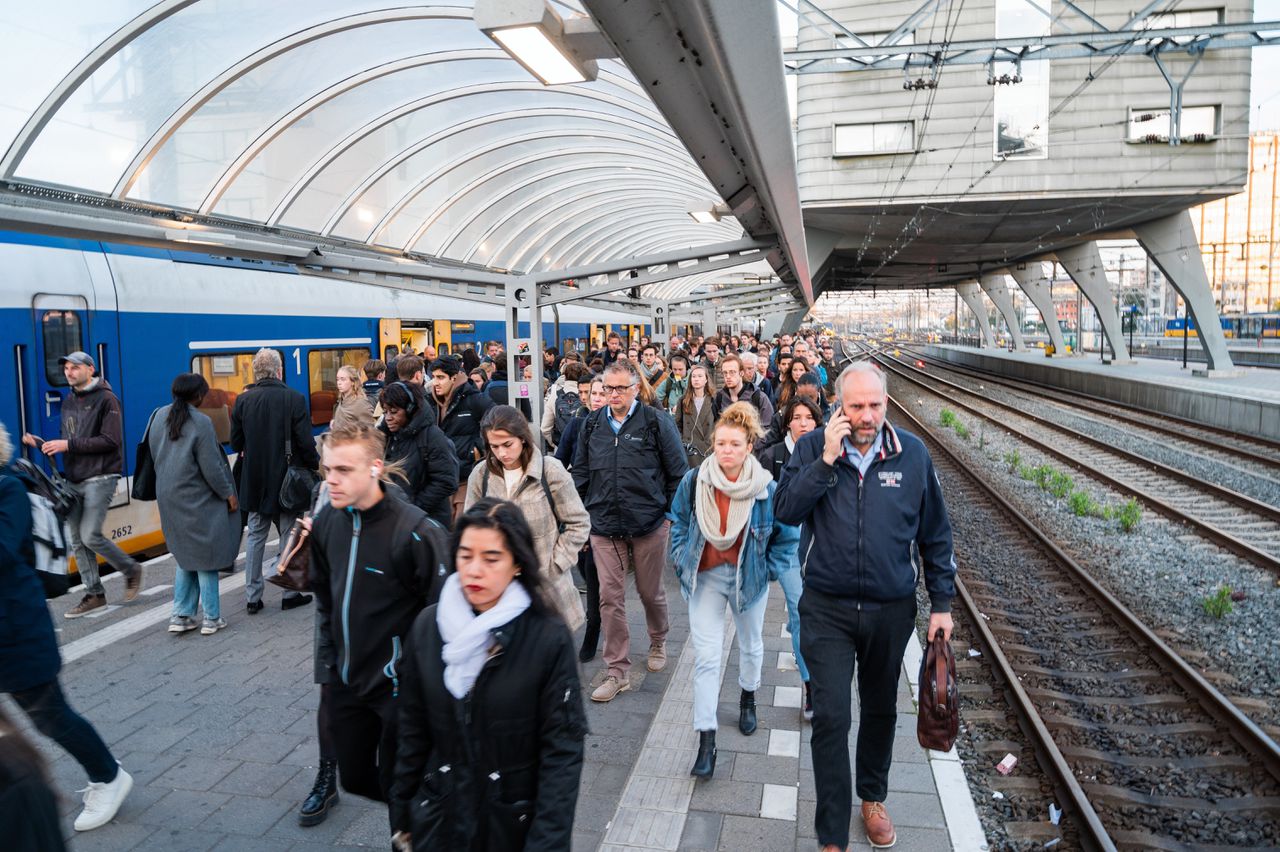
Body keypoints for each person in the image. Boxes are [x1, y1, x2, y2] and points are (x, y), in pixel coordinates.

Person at [774, 362, 957, 852]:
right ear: (838, 406)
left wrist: (941, 602)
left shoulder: (913, 456)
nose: (867, 415)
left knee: (880, 709)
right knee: (832, 717)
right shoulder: (815, 447)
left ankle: (873, 798)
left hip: (890, 607)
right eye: (856, 406)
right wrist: (826, 461)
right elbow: (785, 509)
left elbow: (935, 535)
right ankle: (832, 831)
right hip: (827, 607)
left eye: (875, 405)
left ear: (886, 404)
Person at [390, 499, 587, 850]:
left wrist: (547, 842)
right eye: (466, 556)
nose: (475, 570)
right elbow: (411, 730)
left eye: (491, 559)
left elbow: (562, 752)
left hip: (511, 825)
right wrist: (403, 813)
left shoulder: (546, 636)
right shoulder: (428, 628)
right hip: (441, 819)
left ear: (516, 564)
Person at [309, 425, 451, 833]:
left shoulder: (416, 532)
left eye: (342, 470)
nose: (331, 480)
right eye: (327, 470)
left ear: (374, 468)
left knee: (400, 789)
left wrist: (422, 688)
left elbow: (444, 618)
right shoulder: (326, 524)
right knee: (353, 777)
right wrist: (330, 671)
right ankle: (424, 803)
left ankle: (412, 827)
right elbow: (325, 602)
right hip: (348, 685)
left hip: (398, 692)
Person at [0, 422, 133, 832]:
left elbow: (4, 551)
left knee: (50, 716)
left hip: (15, 630)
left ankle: (109, 777)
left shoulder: (8, 489)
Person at [668, 403, 798, 778]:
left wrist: (768, 570)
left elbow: (786, 538)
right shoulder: (695, 481)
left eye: (734, 444)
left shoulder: (766, 489)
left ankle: (748, 695)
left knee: (751, 644)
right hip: (706, 577)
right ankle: (706, 741)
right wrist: (680, 557)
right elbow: (678, 520)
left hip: (748, 579)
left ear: (749, 447)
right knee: (706, 658)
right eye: (721, 443)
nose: (726, 450)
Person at [572, 361, 687, 702]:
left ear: (636, 389)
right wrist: (581, 515)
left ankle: (658, 638)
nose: (614, 394)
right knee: (610, 597)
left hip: (649, 524)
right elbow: (580, 473)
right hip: (604, 526)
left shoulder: (655, 422)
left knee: (651, 593)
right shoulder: (592, 425)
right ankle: (616, 669)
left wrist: (667, 515)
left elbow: (678, 473)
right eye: (608, 388)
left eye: (621, 388)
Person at [22, 350, 143, 616]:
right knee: (77, 539)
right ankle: (94, 593)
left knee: (90, 534)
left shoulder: (107, 399)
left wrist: (68, 444)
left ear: (91, 369)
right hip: (75, 478)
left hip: (102, 476)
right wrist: (44, 444)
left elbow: (111, 441)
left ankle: (130, 568)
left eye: (75, 367)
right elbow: (71, 441)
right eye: (66, 368)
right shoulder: (69, 401)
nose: (69, 372)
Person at [465, 405, 590, 630]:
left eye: (507, 444)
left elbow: (578, 522)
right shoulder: (481, 475)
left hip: (547, 592)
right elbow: (469, 530)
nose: (502, 453)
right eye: (494, 446)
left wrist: (555, 564)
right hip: (498, 595)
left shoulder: (549, 470)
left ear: (522, 438)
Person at [150, 373, 240, 636]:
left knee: (185, 553)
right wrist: (228, 494)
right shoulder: (201, 422)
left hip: (168, 495)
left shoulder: (158, 417)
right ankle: (212, 618)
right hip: (198, 497)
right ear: (198, 395)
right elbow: (211, 466)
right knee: (207, 556)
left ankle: (181, 615)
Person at [230, 347, 318, 614]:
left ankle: (252, 597)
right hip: (286, 480)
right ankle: (289, 592)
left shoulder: (243, 401)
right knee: (289, 534)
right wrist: (315, 466)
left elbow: (236, 443)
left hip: (254, 480)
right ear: (279, 371)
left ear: (256, 373)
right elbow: (304, 442)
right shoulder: (294, 398)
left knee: (256, 536)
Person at [756, 397, 824, 719]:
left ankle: (810, 687)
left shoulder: (825, 453)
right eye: (796, 417)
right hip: (773, 543)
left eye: (809, 417)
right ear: (787, 424)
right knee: (750, 616)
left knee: (801, 613)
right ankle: (748, 685)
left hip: (806, 547)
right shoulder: (772, 456)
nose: (803, 423)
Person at [555, 373, 606, 661]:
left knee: (599, 575)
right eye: (591, 393)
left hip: (608, 508)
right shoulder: (576, 425)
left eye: (600, 393)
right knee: (588, 569)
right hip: (581, 505)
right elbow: (560, 463)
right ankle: (592, 624)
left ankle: (596, 628)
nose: (595, 398)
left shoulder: (615, 427)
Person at [378, 382, 458, 529]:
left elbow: (446, 481)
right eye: (385, 412)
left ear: (410, 409)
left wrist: (412, 508)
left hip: (427, 523)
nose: (388, 417)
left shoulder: (433, 437)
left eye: (394, 412)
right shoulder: (385, 437)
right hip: (396, 521)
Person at [428, 356, 494, 522]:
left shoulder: (473, 399)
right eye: (434, 377)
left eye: (440, 377)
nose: (435, 382)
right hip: (439, 479)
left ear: (454, 378)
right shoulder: (429, 402)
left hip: (465, 477)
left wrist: (477, 449)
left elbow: (497, 420)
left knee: (461, 527)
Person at [712, 354, 773, 427]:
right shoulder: (720, 397)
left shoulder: (758, 397)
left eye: (732, 372)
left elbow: (768, 427)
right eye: (725, 373)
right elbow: (715, 425)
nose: (728, 376)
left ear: (741, 373)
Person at [542, 361, 589, 451]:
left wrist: (556, 444)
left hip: (561, 449)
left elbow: (545, 428)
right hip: (583, 448)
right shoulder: (587, 394)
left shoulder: (555, 394)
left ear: (565, 376)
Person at [675, 364, 715, 469]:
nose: (696, 379)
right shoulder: (683, 400)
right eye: (693, 376)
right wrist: (682, 442)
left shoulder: (714, 400)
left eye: (700, 376)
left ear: (706, 379)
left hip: (708, 449)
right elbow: (677, 425)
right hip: (689, 450)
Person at [333, 364, 376, 431]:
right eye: (337, 379)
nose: (339, 383)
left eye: (343, 379)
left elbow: (370, 430)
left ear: (353, 382)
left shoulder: (360, 403)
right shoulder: (341, 400)